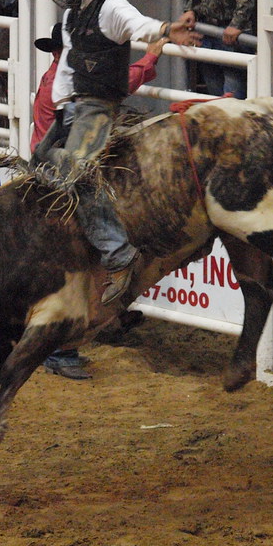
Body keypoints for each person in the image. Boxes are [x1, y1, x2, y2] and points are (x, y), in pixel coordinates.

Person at [34, 0, 199, 305]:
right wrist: (61, 109)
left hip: (97, 105)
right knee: (40, 161)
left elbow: (140, 26)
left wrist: (168, 29)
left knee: (76, 173)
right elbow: (67, 66)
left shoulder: (109, 6)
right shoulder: (71, 16)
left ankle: (118, 252)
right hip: (75, 104)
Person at [32, 22, 168, 378]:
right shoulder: (68, 88)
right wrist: (151, 56)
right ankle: (60, 348)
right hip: (62, 182)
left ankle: (103, 317)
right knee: (83, 260)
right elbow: (117, 86)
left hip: (56, 174)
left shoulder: (57, 82)